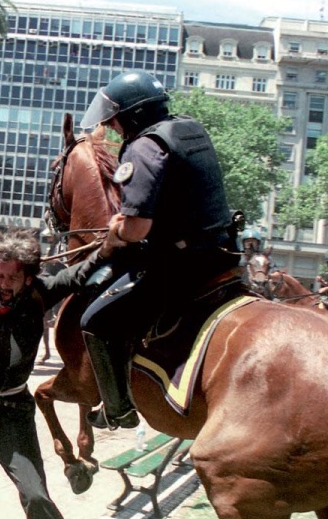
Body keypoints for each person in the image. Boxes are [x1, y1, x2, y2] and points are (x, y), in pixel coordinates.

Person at [76, 69, 241, 430]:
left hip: (182, 267)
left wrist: (117, 229)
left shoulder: (144, 147)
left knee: (96, 321)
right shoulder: (188, 129)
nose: (114, 127)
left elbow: (137, 229)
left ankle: (118, 409)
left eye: (116, 119)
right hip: (221, 251)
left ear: (133, 115)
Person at [0, 229, 105, 519]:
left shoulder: (41, 293)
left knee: (37, 496)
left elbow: (81, 272)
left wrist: (113, 242)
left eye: (13, 277)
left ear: (28, 278)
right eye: (0, 274)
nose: (4, 283)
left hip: (12, 415)